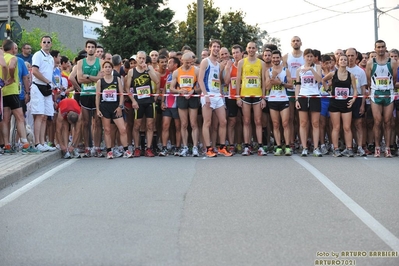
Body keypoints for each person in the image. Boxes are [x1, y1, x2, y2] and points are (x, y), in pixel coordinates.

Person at [0, 40, 37, 153]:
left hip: (3, 91)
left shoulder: (2, 57)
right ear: (12, 49)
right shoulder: (13, 58)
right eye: (15, 48)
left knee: (5, 120)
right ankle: (24, 142)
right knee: (20, 117)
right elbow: (11, 67)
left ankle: (7, 144)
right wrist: (10, 77)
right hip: (12, 90)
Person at [198, 39, 232, 157]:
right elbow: (200, 79)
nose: (216, 49)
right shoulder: (205, 62)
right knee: (207, 122)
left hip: (218, 95)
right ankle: (208, 148)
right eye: (214, 47)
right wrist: (205, 95)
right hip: (208, 95)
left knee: (223, 121)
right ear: (210, 48)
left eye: (218, 47)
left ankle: (222, 147)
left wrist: (226, 68)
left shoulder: (218, 64)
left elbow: (221, 81)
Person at [365, 40, 398, 158]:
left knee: (388, 122)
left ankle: (387, 147)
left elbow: (394, 80)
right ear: (375, 48)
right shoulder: (370, 63)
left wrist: (388, 88)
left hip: (388, 94)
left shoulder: (392, 62)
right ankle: (377, 147)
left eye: (382, 47)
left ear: (385, 48)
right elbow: (369, 80)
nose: (380, 49)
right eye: (378, 47)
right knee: (377, 121)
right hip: (376, 94)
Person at [125, 51, 159, 157]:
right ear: (136, 59)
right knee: (137, 126)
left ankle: (148, 148)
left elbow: (157, 81)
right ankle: (137, 148)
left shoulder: (149, 69)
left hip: (149, 101)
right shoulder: (131, 71)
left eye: (143, 58)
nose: (141, 60)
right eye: (139, 58)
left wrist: (147, 70)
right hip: (138, 102)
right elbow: (127, 88)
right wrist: (133, 100)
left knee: (150, 125)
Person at [322, 55, 358, 157]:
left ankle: (349, 148)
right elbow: (323, 80)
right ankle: (336, 149)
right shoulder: (333, 74)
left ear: (347, 62)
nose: (343, 61)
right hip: (335, 103)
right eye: (341, 59)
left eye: (345, 60)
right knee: (336, 127)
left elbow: (355, 89)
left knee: (347, 127)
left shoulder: (351, 75)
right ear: (338, 62)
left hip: (346, 103)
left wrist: (353, 99)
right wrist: (328, 91)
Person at [95, 61, 132, 159]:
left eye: (109, 67)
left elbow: (121, 94)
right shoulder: (100, 82)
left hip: (115, 107)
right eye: (105, 67)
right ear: (103, 69)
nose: (107, 69)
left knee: (123, 129)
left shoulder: (117, 79)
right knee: (107, 130)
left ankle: (126, 150)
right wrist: (98, 109)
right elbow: (98, 97)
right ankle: (109, 151)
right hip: (105, 107)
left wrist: (120, 106)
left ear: (112, 69)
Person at [236, 41, 267, 156]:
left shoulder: (261, 63)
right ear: (246, 49)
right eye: (249, 48)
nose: (251, 50)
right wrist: (238, 97)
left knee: (258, 121)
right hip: (245, 95)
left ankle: (260, 146)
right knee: (246, 121)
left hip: (258, 95)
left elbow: (263, 82)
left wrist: (263, 97)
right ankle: (246, 146)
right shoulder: (241, 62)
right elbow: (238, 80)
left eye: (253, 48)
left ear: (256, 49)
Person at [169, 52, 200, 157]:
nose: (188, 64)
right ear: (182, 60)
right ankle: (185, 147)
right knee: (184, 124)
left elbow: (201, 86)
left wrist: (193, 91)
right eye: (186, 62)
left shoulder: (196, 70)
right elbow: (171, 88)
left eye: (190, 62)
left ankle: (195, 147)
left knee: (194, 123)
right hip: (182, 98)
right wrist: (180, 91)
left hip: (193, 98)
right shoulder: (177, 72)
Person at [76, 40, 104, 157]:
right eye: (89, 47)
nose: (91, 49)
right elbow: (80, 79)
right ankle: (87, 147)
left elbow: (101, 78)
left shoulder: (101, 62)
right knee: (85, 122)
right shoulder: (81, 63)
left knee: (97, 122)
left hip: (96, 95)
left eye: (93, 47)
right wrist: (93, 78)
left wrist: (87, 76)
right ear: (86, 48)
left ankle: (97, 147)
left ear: (95, 49)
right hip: (85, 95)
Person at [30, 36, 58, 152]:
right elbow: (35, 71)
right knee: (39, 115)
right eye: (44, 42)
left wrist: (53, 84)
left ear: (51, 44)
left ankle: (42, 141)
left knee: (45, 116)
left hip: (47, 88)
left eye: (48, 42)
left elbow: (49, 73)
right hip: (38, 86)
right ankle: (37, 143)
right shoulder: (38, 55)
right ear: (41, 43)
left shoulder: (51, 58)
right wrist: (47, 81)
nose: (46, 44)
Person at [295, 48, 323, 157]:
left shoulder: (317, 67)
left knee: (315, 123)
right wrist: (297, 99)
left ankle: (316, 147)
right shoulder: (299, 70)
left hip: (314, 96)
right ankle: (304, 147)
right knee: (303, 123)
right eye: (307, 56)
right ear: (304, 57)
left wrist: (311, 70)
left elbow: (320, 80)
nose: (309, 58)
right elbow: (298, 85)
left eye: (311, 56)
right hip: (303, 96)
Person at [265, 50, 293, 156]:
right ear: (271, 59)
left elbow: (291, 85)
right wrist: (273, 77)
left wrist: (280, 82)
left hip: (284, 99)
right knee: (275, 124)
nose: (276, 60)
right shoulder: (268, 71)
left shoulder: (286, 70)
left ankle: (287, 146)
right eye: (274, 58)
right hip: (272, 99)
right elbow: (267, 87)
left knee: (285, 123)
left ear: (280, 58)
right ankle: (278, 146)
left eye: (277, 58)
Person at [283, 36, 305, 152]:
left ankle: (302, 142)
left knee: (300, 119)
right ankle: (291, 142)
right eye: (293, 41)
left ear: (301, 42)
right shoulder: (286, 57)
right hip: (289, 89)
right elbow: (283, 72)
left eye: (297, 40)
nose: (296, 42)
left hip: (302, 89)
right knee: (290, 117)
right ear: (291, 43)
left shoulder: (304, 56)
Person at [346, 48, 368, 156]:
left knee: (358, 124)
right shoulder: (341, 70)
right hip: (345, 98)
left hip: (358, 98)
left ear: (356, 57)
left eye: (352, 55)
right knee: (347, 125)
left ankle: (360, 146)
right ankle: (349, 145)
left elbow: (364, 89)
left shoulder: (360, 71)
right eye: (348, 56)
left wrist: (363, 104)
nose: (350, 58)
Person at [159, 56, 182, 156]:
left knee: (178, 127)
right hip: (168, 105)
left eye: (169, 63)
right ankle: (164, 148)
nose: (167, 65)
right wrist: (162, 102)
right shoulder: (169, 75)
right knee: (165, 126)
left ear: (175, 65)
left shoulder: (180, 74)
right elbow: (164, 89)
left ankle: (177, 147)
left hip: (177, 105)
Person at [224, 44, 244, 153]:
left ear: (242, 54)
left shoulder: (245, 65)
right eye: (234, 53)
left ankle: (240, 143)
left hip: (244, 96)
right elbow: (226, 82)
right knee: (232, 121)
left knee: (242, 121)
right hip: (232, 96)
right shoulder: (230, 66)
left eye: (237, 52)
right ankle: (231, 144)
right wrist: (227, 68)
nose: (235, 55)